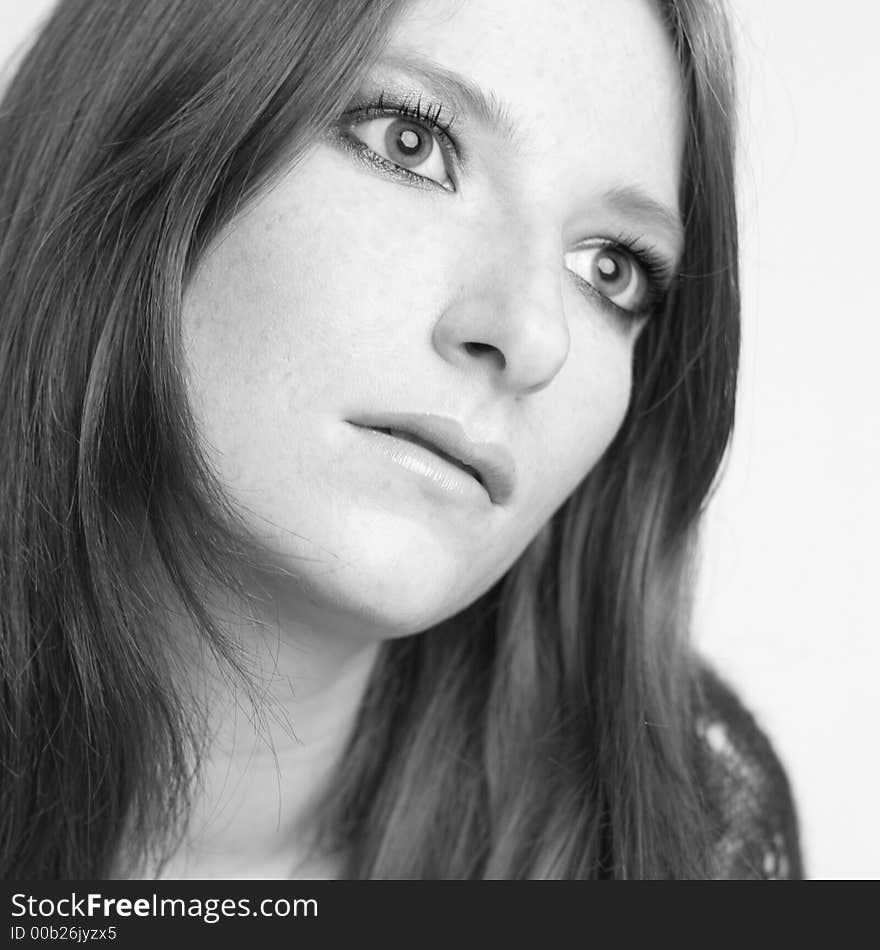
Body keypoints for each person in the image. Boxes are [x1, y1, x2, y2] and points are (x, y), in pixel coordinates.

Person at [0, 0, 803, 880]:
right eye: (410, 142)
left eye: (609, 268)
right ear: (141, 114)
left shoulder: (690, 827)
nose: (534, 338)